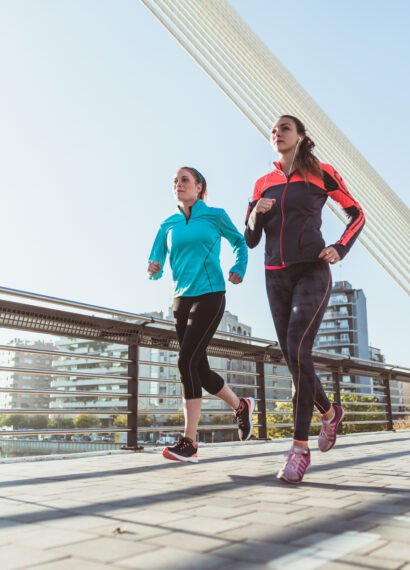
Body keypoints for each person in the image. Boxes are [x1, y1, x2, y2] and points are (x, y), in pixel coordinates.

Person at [245, 115, 365, 483]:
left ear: (299, 136)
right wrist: (255, 216)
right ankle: (330, 413)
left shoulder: (321, 173)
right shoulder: (262, 183)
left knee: (298, 346)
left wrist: (340, 248)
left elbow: (357, 214)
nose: (276, 133)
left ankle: (298, 449)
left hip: (312, 270)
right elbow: (250, 239)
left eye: (284, 128)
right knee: (294, 358)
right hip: (274, 276)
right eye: (273, 130)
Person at [148, 166, 254, 463]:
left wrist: (238, 268)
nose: (178, 185)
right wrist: (153, 268)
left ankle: (190, 442)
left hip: (210, 294)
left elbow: (239, 242)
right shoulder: (167, 224)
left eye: (184, 180)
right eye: (174, 181)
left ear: (199, 186)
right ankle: (241, 406)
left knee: (185, 361)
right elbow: (156, 257)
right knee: (201, 371)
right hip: (181, 300)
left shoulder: (215, 215)